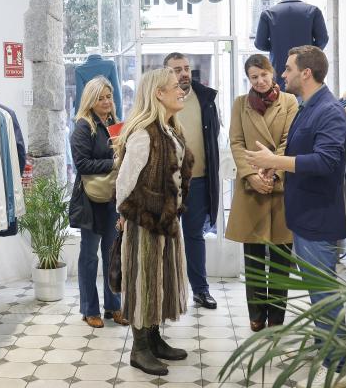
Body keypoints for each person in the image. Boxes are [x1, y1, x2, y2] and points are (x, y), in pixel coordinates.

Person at [244, 45, 346, 388]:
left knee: (324, 297)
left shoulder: (330, 111)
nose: (283, 74)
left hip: (319, 221)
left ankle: (337, 369)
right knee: (319, 295)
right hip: (304, 218)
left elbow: (326, 162)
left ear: (307, 72)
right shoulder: (308, 108)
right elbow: (298, 153)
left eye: (288, 69)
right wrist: (274, 170)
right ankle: (327, 351)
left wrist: (276, 163)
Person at [114, 68, 193, 376]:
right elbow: (125, 181)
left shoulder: (170, 130)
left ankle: (154, 338)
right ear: (159, 93)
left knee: (160, 280)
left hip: (166, 220)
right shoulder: (144, 133)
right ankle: (140, 349)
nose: (181, 90)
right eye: (175, 87)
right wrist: (123, 217)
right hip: (145, 222)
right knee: (142, 281)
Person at [225, 54, 299, 332]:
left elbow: (289, 140)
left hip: (279, 184)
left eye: (263, 74)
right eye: (253, 77)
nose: (259, 81)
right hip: (251, 187)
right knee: (254, 256)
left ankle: (277, 316)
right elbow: (236, 141)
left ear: (273, 72)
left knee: (281, 257)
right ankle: (256, 314)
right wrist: (251, 175)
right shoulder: (240, 104)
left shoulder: (290, 102)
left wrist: (272, 170)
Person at [163, 52, 221, 309]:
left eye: (186, 68)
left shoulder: (205, 98)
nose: (184, 73)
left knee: (195, 236)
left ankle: (200, 290)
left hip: (198, 180)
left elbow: (213, 135)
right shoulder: (160, 100)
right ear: (166, 73)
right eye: (177, 69)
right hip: (167, 182)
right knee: (165, 236)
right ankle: (166, 290)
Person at [69, 77, 128, 328]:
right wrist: (112, 164)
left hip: (112, 198)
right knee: (89, 256)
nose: (106, 102)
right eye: (101, 98)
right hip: (91, 200)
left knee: (112, 254)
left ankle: (113, 306)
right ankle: (89, 309)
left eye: (108, 97)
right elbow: (81, 165)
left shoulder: (115, 124)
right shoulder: (84, 126)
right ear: (91, 100)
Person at [254, 0, 329, 91]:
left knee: (281, 103)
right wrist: (309, 53)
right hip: (306, 70)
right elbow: (323, 39)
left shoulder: (268, 14)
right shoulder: (313, 11)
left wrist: (275, 47)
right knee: (309, 102)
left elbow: (259, 43)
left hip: (279, 72)